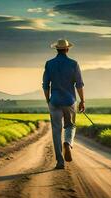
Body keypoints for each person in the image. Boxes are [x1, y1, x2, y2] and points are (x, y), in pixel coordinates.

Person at [42, 39, 85, 169]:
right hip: (69, 101)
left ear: (56, 49)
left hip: (54, 101)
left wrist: (48, 100)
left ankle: (60, 162)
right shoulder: (73, 64)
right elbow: (79, 84)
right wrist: (82, 101)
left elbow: (45, 85)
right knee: (70, 126)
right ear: (67, 49)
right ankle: (67, 142)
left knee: (56, 131)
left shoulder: (49, 64)